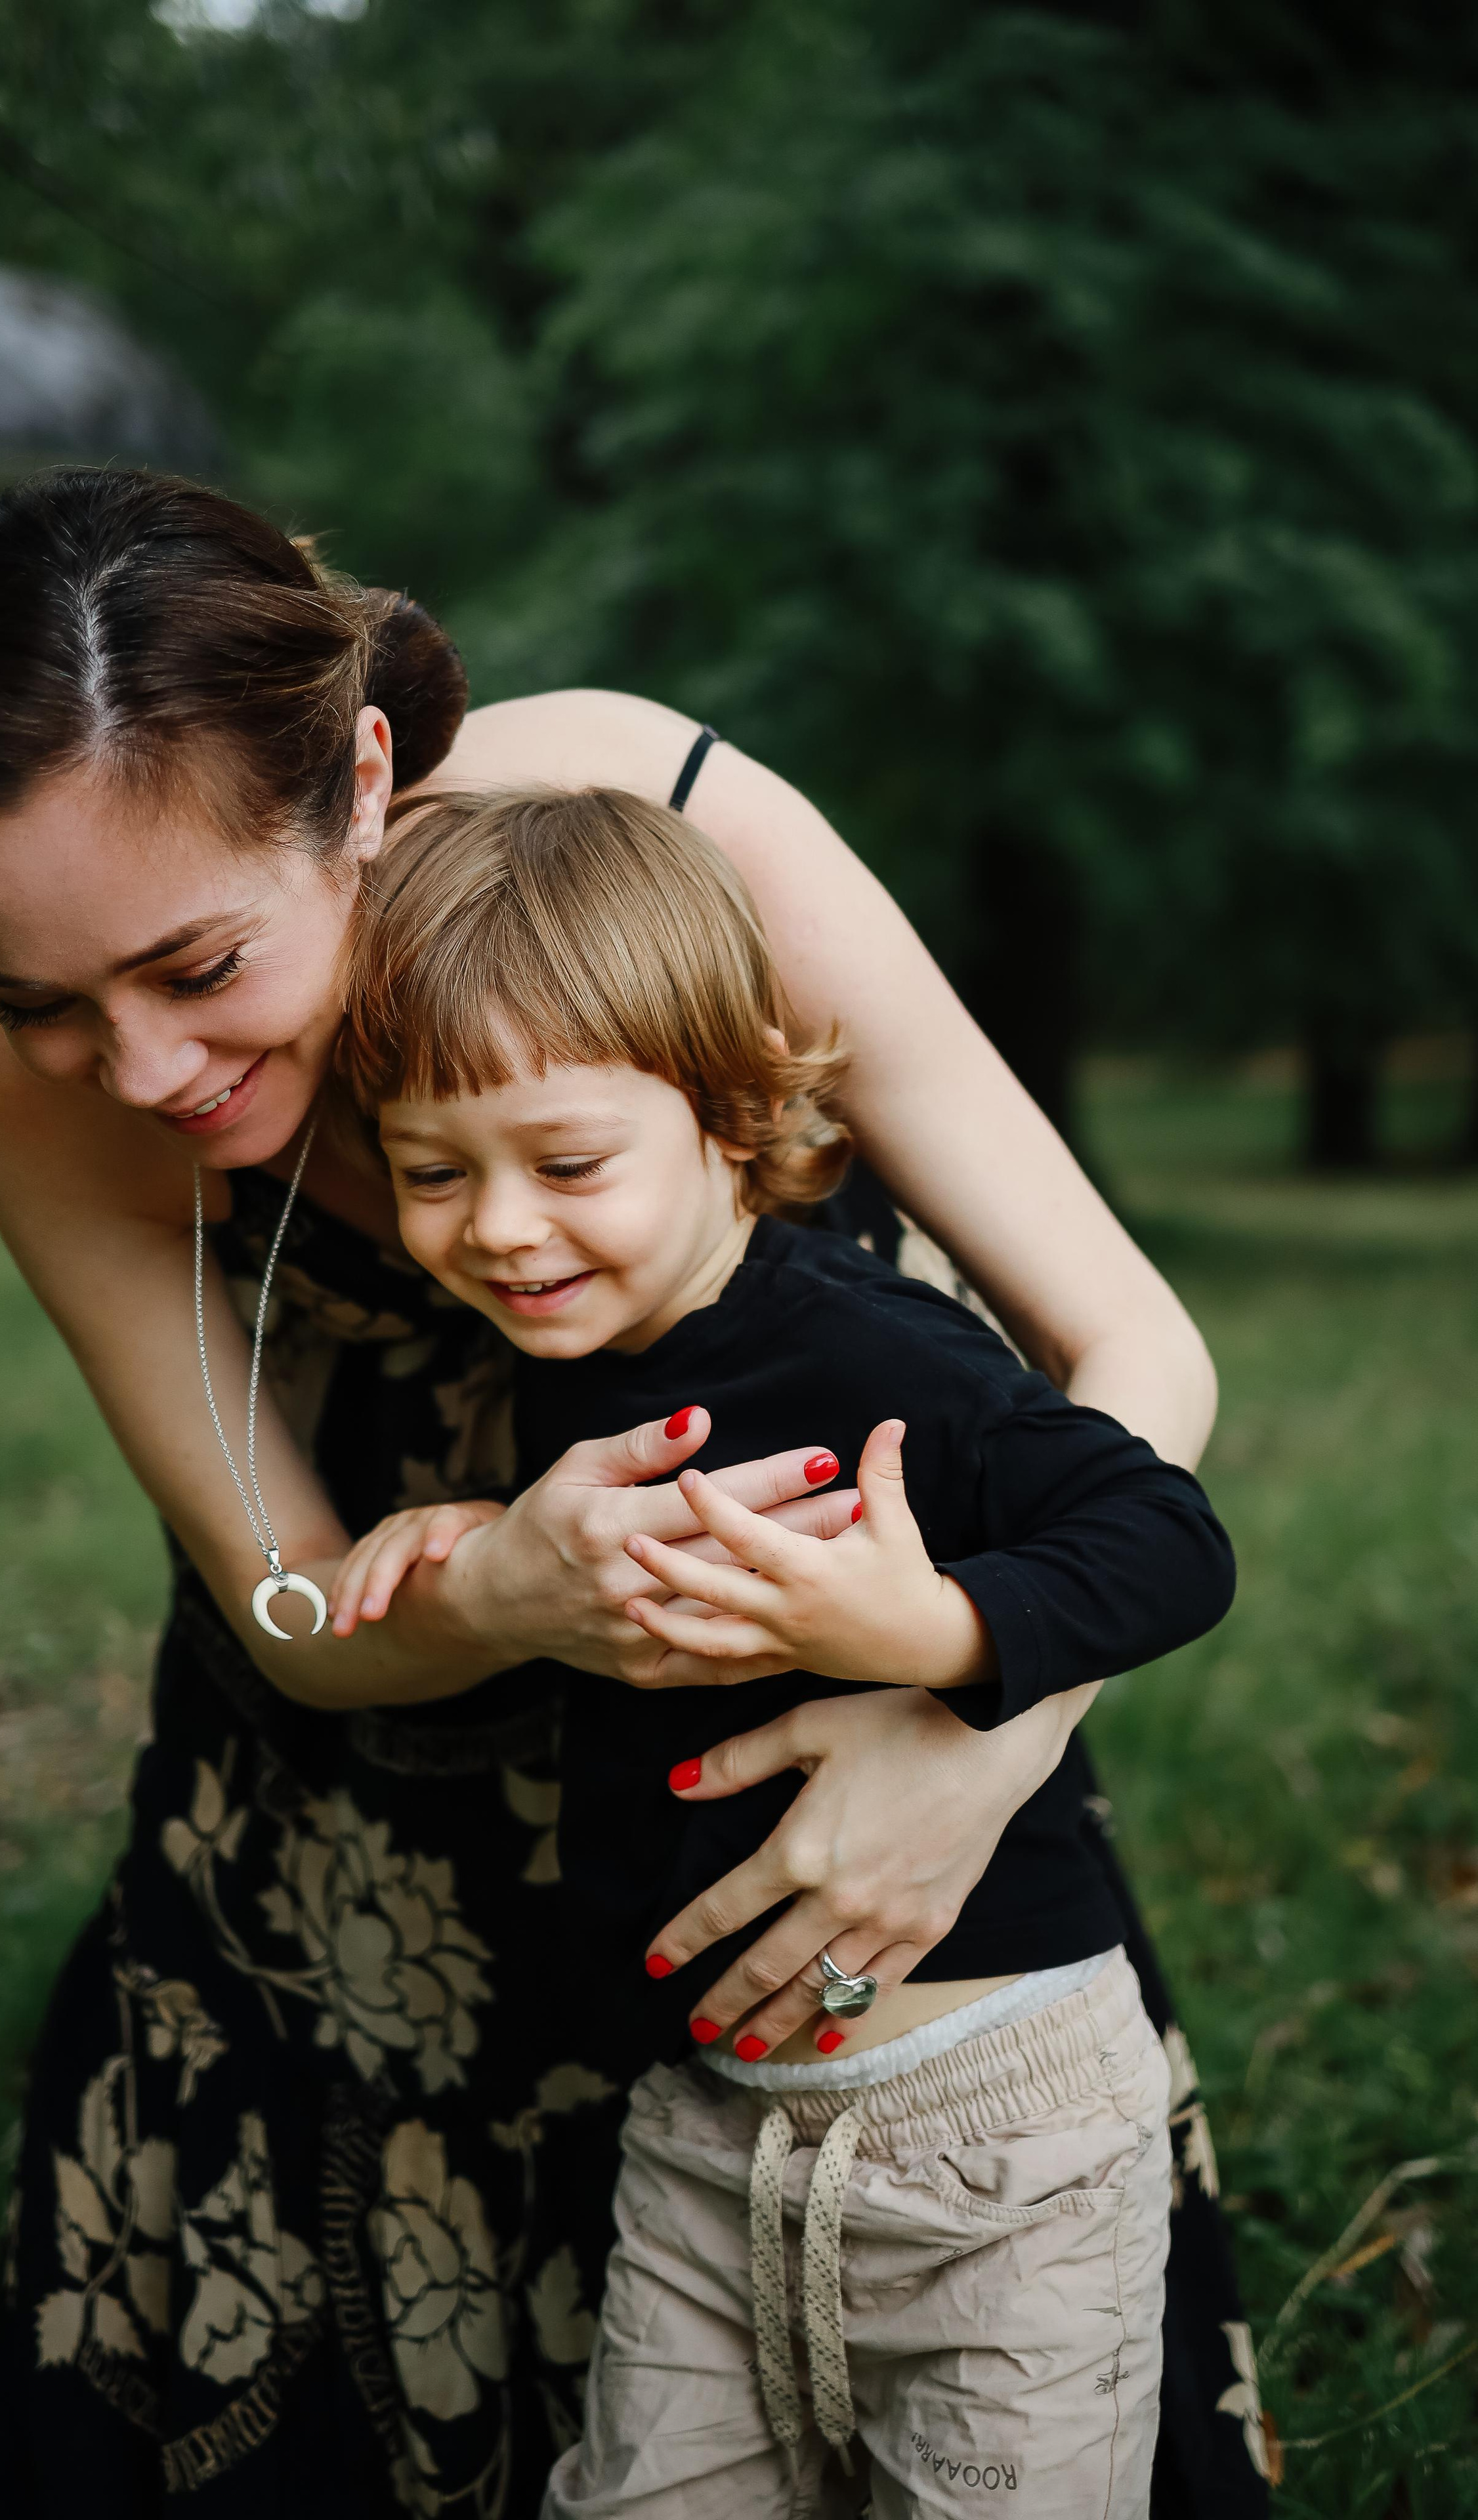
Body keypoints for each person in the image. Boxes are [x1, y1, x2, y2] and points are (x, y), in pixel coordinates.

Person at [0, 465, 1267, 2517]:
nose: (142, 1072)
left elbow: (1135, 1359)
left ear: (355, 782)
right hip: (400, 1683)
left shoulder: (644, 831)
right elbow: (285, 1596)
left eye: (198, 967)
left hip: (839, 1614)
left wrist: (963, 1741)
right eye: (35, 998)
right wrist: (501, 1592)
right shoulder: (55, 1107)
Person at [333, 785, 1236, 2516]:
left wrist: (930, 1629)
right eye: (433, 1172)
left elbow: (1168, 1542)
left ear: (732, 1120)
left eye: (569, 1164)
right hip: (703, 2137)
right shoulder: (578, 1340)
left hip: (996, 2132)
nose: (503, 1229)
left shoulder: (879, 1357)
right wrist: (462, 1541)